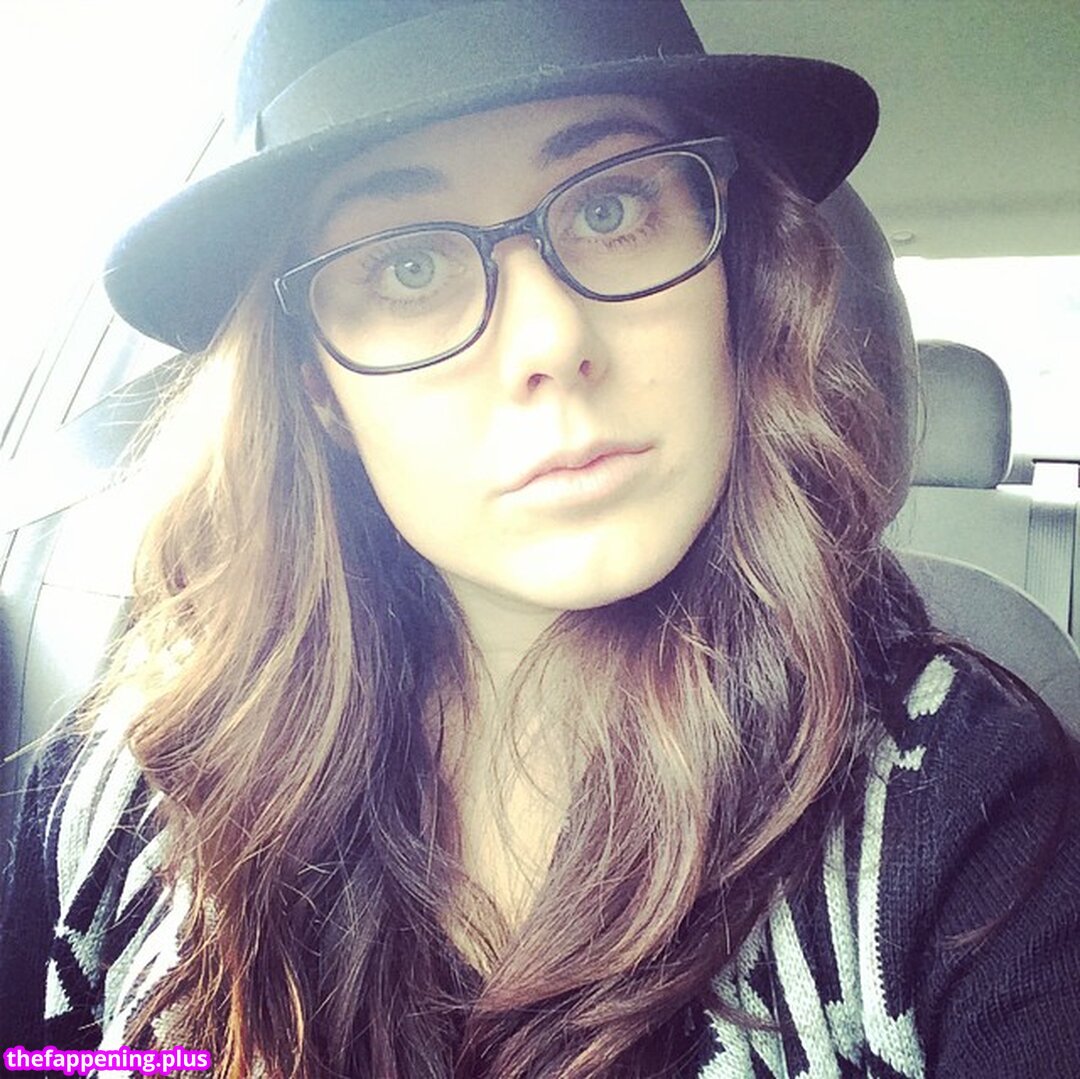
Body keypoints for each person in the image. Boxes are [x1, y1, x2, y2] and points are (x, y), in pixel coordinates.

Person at [2, 2, 1078, 1076]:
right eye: (407, 266)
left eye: (612, 206)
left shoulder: (965, 803)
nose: (553, 339)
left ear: (736, 274)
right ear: (316, 384)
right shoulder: (131, 792)